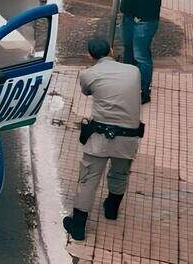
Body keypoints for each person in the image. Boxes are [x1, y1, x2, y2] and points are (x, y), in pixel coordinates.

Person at [63, 37, 144, 241]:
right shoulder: (134, 71)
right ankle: (111, 210)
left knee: (89, 179)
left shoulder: (88, 74)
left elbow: (87, 91)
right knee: (120, 173)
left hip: (100, 137)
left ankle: (79, 226)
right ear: (110, 49)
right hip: (129, 138)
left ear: (90, 55)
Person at [119, 0, 166, 104]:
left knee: (141, 56)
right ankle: (126, 84)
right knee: (128, 51)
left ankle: (143, 91)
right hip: (129, 17)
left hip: (143, 21)